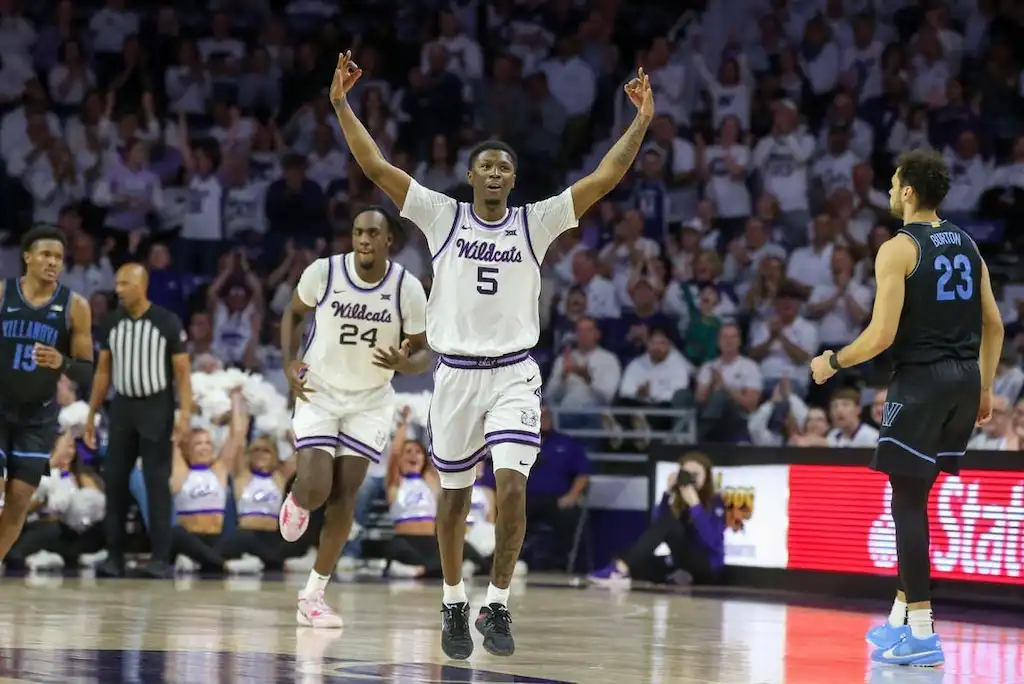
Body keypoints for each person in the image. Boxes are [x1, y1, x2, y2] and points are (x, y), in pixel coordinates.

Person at [330, 49, 655, 659]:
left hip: (513, 374)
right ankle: (454, 600)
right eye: (487, 166)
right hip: (454, 376)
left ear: (513, 177)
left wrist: (638, 121)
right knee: (452, 500)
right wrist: (341, 104)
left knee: (511, 490)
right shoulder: (440, 214)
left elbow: (604, 179)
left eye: (505, 167)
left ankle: (498, 604)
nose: (497, 173)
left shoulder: (534, 223)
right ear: (472, 174)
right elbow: (375, 165)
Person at [810, 149, 1003, 668]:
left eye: (894, 185)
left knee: (907, 506)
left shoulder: (898, 248)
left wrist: (832, 360)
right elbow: (995, 325)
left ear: (910, 192)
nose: (890, 192)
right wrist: (984, 388)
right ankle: (898, 621)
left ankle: (922, 631)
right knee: (916, 497)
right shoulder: (967, 244)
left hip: (921, 384)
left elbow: (880, 336)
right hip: (964, 381)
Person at [277, 205, 430, 628]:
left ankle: (313, 594)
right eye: (358, 232)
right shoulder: (323, 273)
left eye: (372, 234)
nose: (363, 239)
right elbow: (293, 313)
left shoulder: (407, 288)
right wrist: (289, 363)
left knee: (347, 495)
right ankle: (298, 497)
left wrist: (405, 362)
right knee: (317, 487)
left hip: (370, 400)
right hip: (319, 391)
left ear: (388, 242)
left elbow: (422, 352)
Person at [85, 264, 192, 579]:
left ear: (141, 286)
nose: (118, 290)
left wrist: (185, 412)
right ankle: (114, 557)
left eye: (124, 284)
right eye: (116, 283)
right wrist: (91, 413)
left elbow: (182, 373)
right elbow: (103, 370)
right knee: (115, 481)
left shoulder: (166, 321)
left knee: (156, 483)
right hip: (122, 407)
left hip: (156, 407)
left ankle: (161, 558)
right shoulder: (111, 321)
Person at [0, 225, 94, 566]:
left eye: (58, 257)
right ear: (27, 257)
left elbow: (86, 370)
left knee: (19, 501)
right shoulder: (2, 294)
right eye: (46, 255)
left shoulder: (75, 306)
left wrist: (62, 361)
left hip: (37, 416)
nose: (53, 262)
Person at [587, 452, 725, 588]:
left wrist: (695, 505)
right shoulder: (679, 500)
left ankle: (620, 569)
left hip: (708, 566)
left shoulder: (716, 501)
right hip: (681, 560)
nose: (691, 479)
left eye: (696, 475)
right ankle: (625, 572)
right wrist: (668, 494)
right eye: (686, 474)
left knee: (668, 524)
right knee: (640, 561)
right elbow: (657, 526)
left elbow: (711, 541)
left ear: (706, 476)